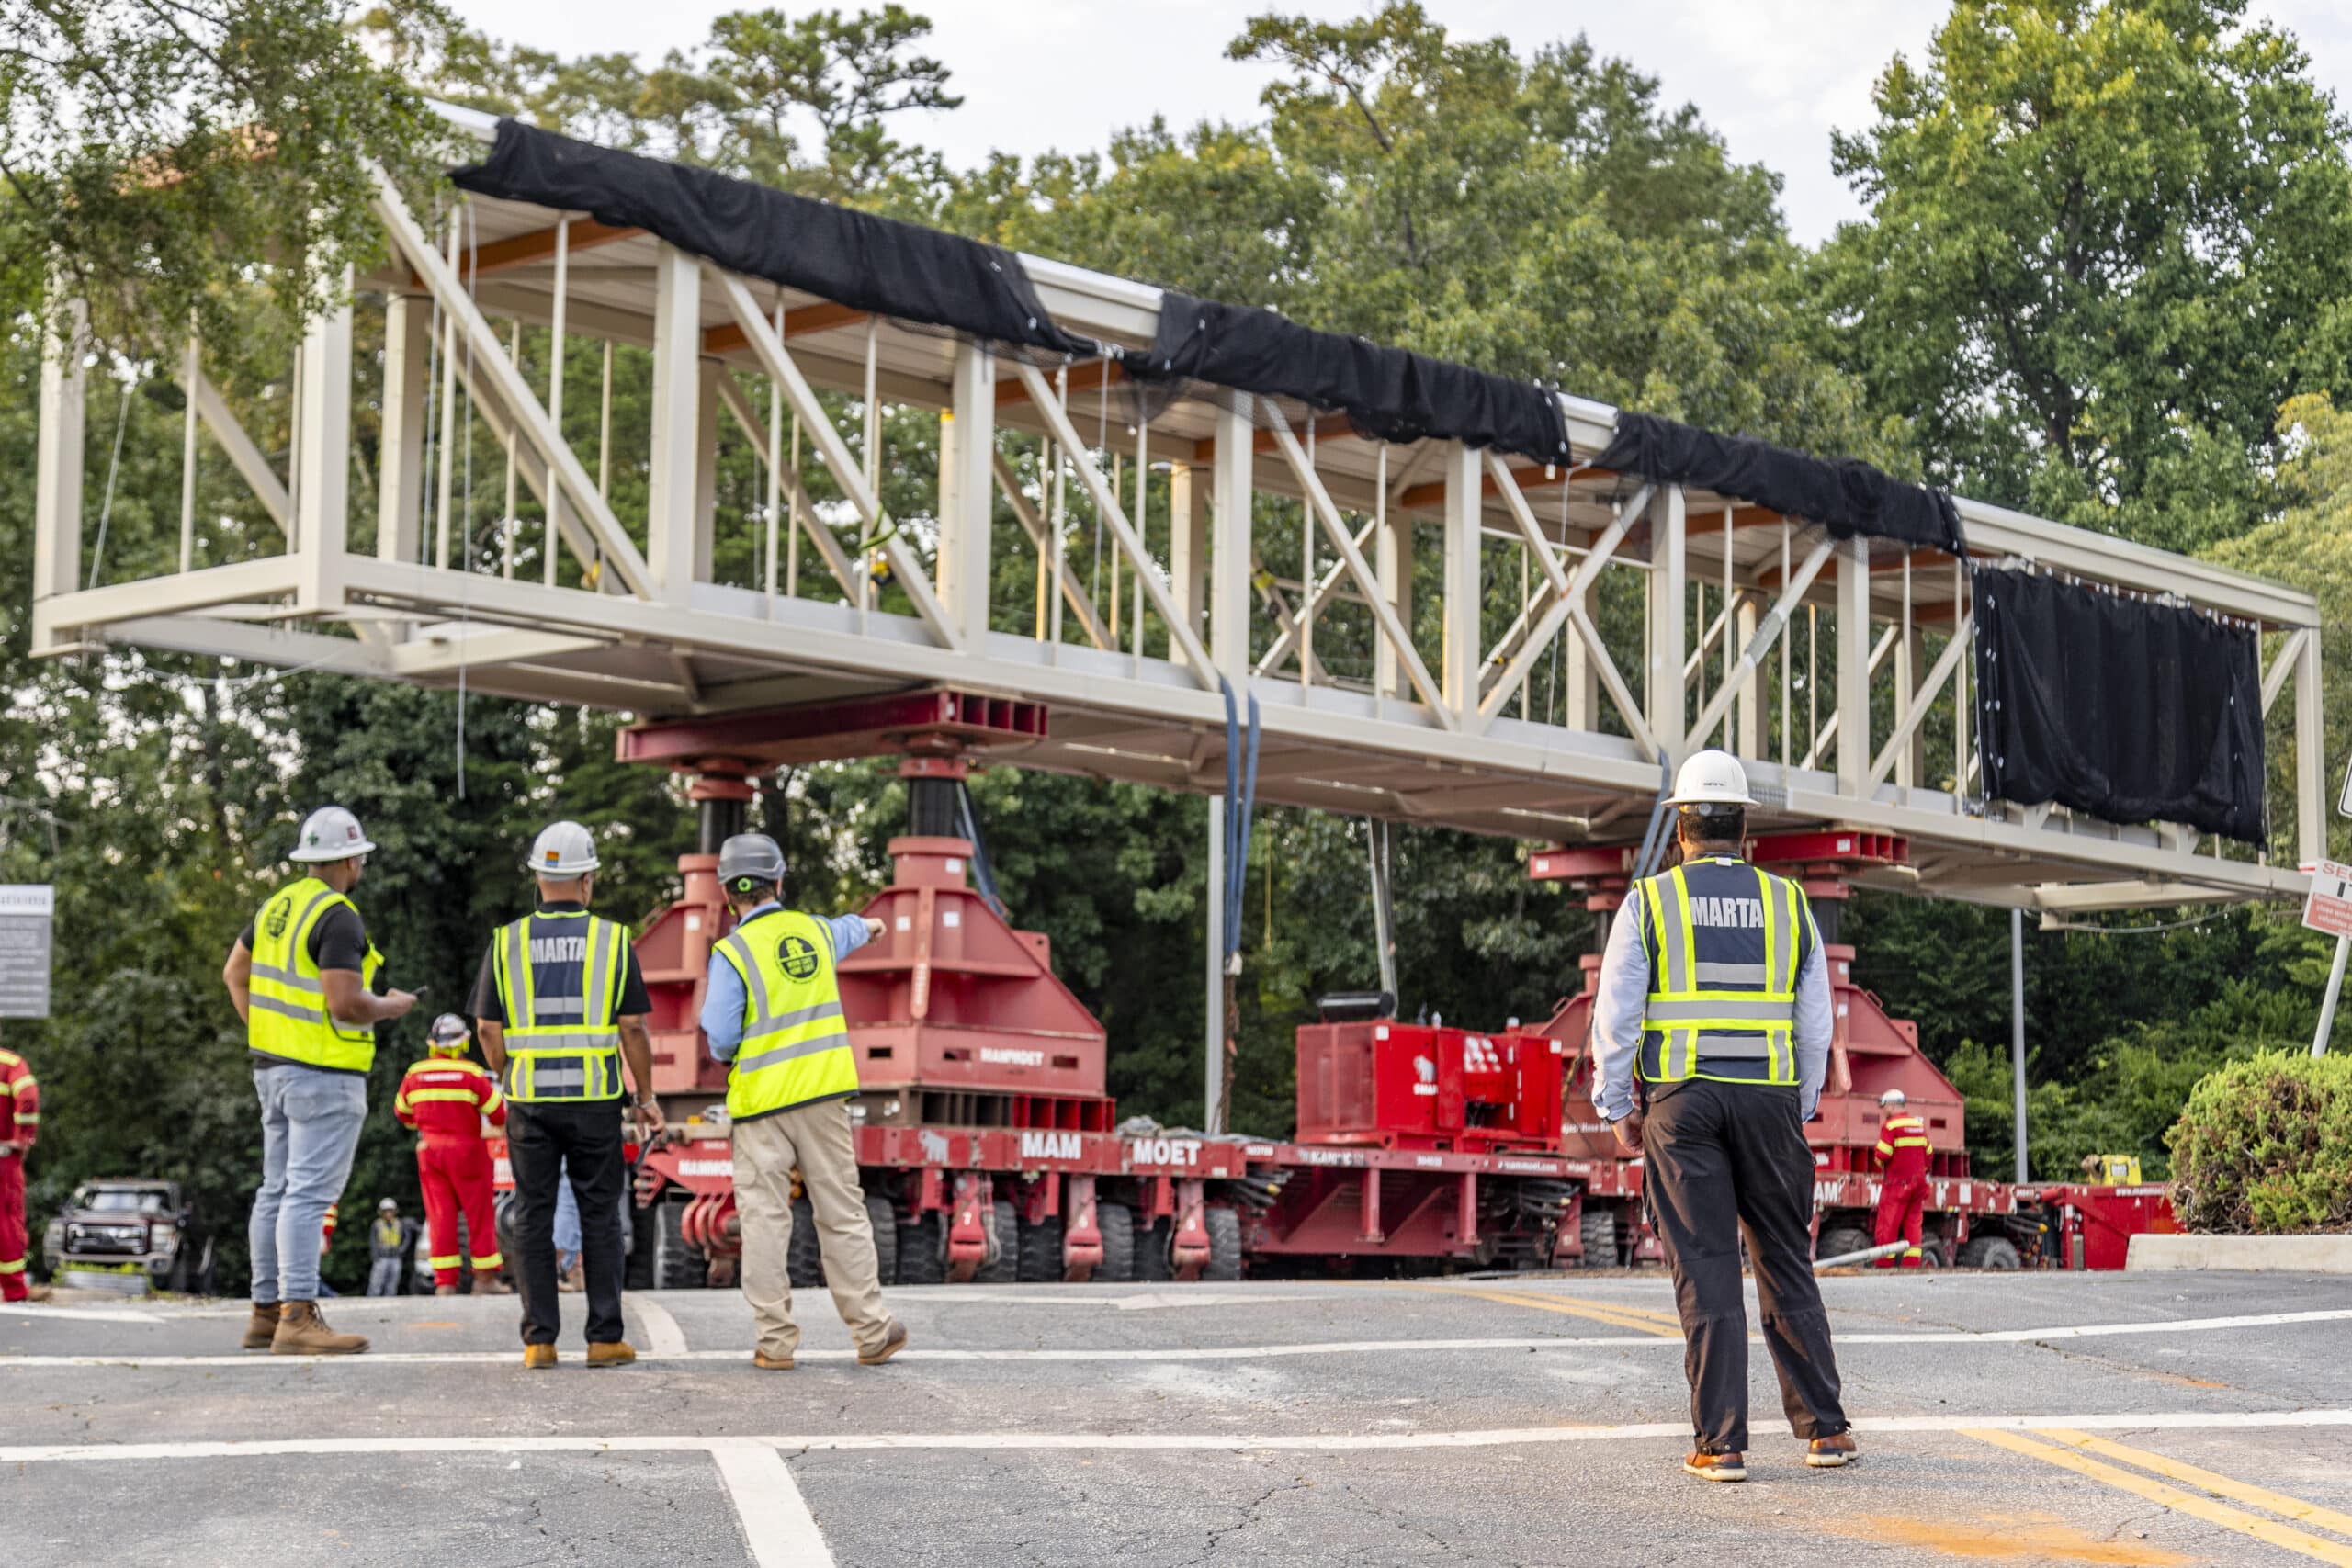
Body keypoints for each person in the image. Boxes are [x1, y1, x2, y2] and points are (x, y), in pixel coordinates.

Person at [1589, 750, 1856, 1482]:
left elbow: (1616, 1017)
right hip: (1769, 1099)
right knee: (1784, 1259)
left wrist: (1618, 1106)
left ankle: (1723, 1444)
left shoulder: (1650, 902)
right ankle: (1826, 1430)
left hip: (1683, 1105)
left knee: (1706, 1268)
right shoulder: (1789, 902)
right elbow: (1814, 1024)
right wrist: (1796, 1103)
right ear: (1746, 831)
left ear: (1680, 829)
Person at [701, 832, 905, 1371]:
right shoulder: (814, 932)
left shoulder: (731, 952)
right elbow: (848, 928)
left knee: (766, 1220)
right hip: (822, 1096)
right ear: (780, 881)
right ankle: (872, 1331)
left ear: (729, 894)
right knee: (841, 1212)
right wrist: (873, 925)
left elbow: (719, 1036)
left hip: (762, 1105)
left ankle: (775, 1343)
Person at [222, 806, 417, 1355]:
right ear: (352, 859)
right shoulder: (339, 915)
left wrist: (269, 1033)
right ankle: (298, 1316)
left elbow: (234, 974)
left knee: (276, 1190)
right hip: (324, 1075)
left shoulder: (275, 908)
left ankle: (265, 1313)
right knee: (307, 1196)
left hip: (274, 1069)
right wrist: (392, 1005)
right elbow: (346, 1003)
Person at [473, 820, 663, 1369]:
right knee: (599, 1214)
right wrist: (645, 1094)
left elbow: (488, 1028)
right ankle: (604, 1338)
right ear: (588, 881)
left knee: (533, 1213)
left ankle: (539, 1340)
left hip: (530, 1103)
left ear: (538, 878)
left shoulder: (506, 942)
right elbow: (632, 1028)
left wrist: (511, 1075)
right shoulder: (613, 940)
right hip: (596, 1101)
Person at [395, 1013, 513, 1296]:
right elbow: (498, 1114)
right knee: (480, 1215)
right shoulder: (470, 1074)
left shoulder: (415, 1074)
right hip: (468, 1151)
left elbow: (403, 1113)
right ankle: (484, 1280)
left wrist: (428, 1125)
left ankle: (445, 1284)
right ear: (463, 1042)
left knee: (440, 1217)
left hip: (430, 1153)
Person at [0, 1043, 49, 1303]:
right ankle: (15, 1289)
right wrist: (22, 1139)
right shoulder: (9, 1064)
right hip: (3, 1157)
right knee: (7, 1220)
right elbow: (28, 1097)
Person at [1871, 1089, 1931, 1269]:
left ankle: (1884, 1265)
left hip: (1897, 1185)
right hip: (1918, 1184)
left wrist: (1878, 1161)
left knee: (1887, 1226)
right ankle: (1911, 1265)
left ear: (1891, 1105)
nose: (1883, 1111)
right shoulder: (1919, 1126)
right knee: (1913, 1225)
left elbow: (1883, 1154)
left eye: (1884, 1107)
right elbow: (1929, 1154)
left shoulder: (1891, 1127)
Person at [367, 1199, 412, 1297]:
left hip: (395, 1257)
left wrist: (402, 1250)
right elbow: (373, 1240)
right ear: (381, 1212)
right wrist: (375, 1254)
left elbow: (407, 1237)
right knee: (376, 1283)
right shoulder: (377, 1224)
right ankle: (372, 1303)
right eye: (386, 1211)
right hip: (381, 1257)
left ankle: (389, 1306)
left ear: (394, 1211)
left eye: (390, 1211)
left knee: (392, 1284)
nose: (388, 1213)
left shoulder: (399, 1223)